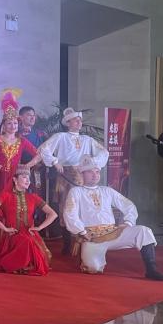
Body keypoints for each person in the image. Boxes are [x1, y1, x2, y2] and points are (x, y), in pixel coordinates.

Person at [62, 156, 163, 280]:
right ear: (82, 174)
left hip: (113, 233)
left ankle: (151, 270)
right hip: (92, 237)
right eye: (90, 172)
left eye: (97, 172)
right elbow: (70, 214)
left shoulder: (107, 191)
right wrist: (82, 232)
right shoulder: (76, 192)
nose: (95, 175)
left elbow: (128, 205)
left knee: (143, 231)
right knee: (93, 268)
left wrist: (128, 223)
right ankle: (85, 255)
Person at [39, 108, 108, 254]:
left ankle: (84, 241)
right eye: (75, 120)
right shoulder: (61, 136)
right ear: (68, 123)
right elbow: (44, 149)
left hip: (83, 176)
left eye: (80, 120)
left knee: (84, 206)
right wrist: (55, 161)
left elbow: (104, 152)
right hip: (66, 176)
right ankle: (67, 244)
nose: (79, 122)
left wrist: (93, 163)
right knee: (66, 207)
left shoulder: (87, 139)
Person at [0, 166, 57, 275]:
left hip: (29, 233)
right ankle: (21, 265)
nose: (28, 180)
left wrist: (40, 227)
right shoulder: (5, 195)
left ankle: (24, 265)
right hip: (13, 234)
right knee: (25, 241)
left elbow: (53, 214)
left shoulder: (33, 197)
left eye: (29, 178)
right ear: (15, 180)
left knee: (27, 240)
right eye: (24, 177)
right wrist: (5, 228)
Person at [0, 92, 41, 207]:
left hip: (15, 177)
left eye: (15, 123)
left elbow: (39, 155)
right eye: (9, 123)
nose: (13, 126)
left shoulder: (22, 141)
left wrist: (27, 165)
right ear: (4, 126)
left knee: (14, 205)